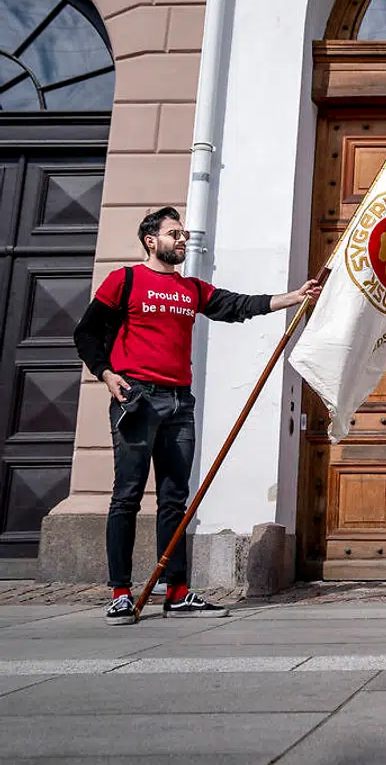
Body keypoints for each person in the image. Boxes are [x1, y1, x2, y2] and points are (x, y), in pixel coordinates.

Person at [73, 207, 321, 624]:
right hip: (136, 397)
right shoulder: (126, 281)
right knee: (127, 496)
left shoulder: (191, 289)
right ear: (151, 240)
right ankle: (119, 592)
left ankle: (178, 591)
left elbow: (237, 305)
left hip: (178, 402)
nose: (183, 239)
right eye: (174, 233)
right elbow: (87, 332)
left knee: (175, 499)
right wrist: (106, 374)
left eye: (184, 233)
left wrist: (293, 297)